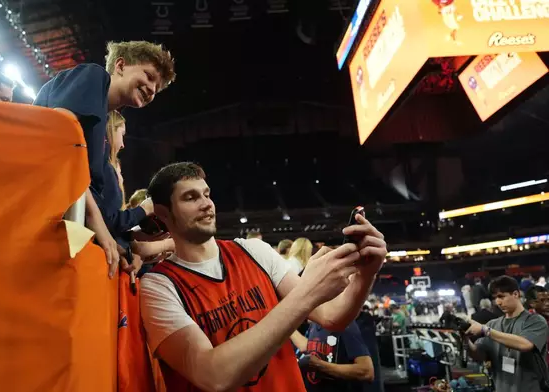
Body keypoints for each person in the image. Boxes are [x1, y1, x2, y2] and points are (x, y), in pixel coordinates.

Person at [140, 162, 387, 391]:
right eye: (190, 197)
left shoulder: (253, 251)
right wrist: (306, 292)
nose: (206, 204)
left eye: (206, 194)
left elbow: (332, 317)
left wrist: (366, 274)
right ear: (163, 213)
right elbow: (212, 375)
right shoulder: (158, 286)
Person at [33, 41, 176, 277]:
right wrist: (101, 229)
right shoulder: (94, 76)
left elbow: (91, 195)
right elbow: (58, 140)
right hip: (42, 216)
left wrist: (120, 245)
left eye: (157, 88)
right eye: (149, 76)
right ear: (120, 65)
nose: (152, 89)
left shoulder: (101, 130)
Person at [466, 276, 549, 392]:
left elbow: (525, 344)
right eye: (495, 298)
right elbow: (479, 354)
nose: (498, 302)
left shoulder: (535, 321)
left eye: (501, 296)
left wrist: (486, 330)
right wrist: (464, 339)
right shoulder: (493, 324)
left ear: (516, 294)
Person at [292, 321, 374, 392]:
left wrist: (321, 366)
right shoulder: (314, 325)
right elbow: (307, 347)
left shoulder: (345, 323)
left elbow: (366, 372)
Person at [525, 285, 549, 364]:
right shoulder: (526, 321)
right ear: (532, 303)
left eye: (548, 299)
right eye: (542, 300)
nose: (548, 303)